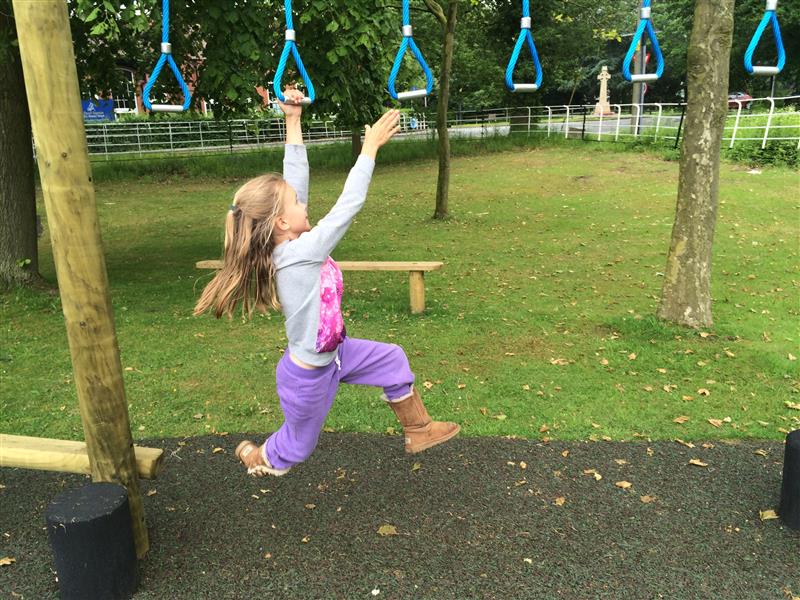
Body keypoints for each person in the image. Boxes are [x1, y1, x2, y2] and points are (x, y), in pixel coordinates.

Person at [194, 87, 459, 477]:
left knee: (393, 359)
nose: (305, 204)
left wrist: (293, 120)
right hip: (308, 374)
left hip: (338, 353)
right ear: (282, 223)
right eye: (297, 205)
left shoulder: (293, 241)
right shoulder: (301, 254)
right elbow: (347, 208)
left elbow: (294, 181)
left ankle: (417, 429)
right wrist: (368, 150)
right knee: (297, 449)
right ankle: (260, 455)